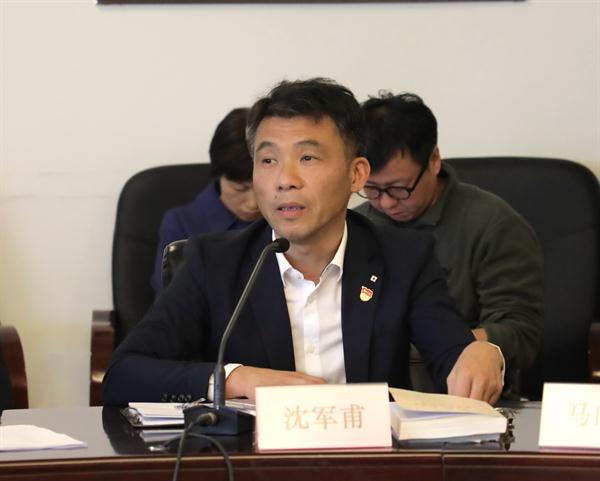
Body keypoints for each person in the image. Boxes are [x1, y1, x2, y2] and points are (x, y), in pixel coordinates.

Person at [103, 78, 504, 407]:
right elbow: (124, 374)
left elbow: (454, 355)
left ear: (356, 174)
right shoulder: (214, 262)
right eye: (268, 160)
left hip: (368, 461)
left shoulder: (403, 258)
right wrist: (237, 379)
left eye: (308, 158)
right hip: (249, 464)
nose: (284, 180)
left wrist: (482, 353)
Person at [355, 92, 543, 393]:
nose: (387, 203)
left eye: (399, 188)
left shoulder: (492, 224)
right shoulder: (356, 227)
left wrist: (444, 343)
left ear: (433, 160)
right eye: (372, 189)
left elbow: (519, 332)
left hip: (459, 396)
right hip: (371, 400)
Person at [151, 107, 261, 294]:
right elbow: (170, 301)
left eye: (260, 190)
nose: (253, 204)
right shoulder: (182, 224)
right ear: (219, 174)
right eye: (239, 189)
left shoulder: (286, 218)